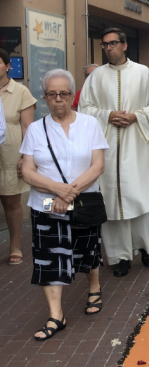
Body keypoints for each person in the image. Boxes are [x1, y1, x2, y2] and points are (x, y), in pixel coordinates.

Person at [20, 69, 108, 340]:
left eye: (64, 94)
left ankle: (94, 286)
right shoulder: (36, 129)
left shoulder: (90, 124)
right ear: (45, 97)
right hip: (45, 202)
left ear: (72, 96)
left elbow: (98, 165)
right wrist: (58, 190)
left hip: (82, 200)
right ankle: (56, 315)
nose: (58, 99)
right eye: (52, 94)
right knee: (49, 257)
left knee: (87, 250)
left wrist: (69, 192)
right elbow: (28, 171)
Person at [79, 28, 149, 277]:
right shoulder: (95, 77)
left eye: (113, 43)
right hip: (106, 149)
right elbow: (85, 108)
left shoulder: (142, 73)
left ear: (125, 45)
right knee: (112, 205)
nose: (109, 48)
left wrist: (135, 116)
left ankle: (144, 247)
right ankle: (120, 257)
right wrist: (107, 115)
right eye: (105, 44)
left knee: (136, 200)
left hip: (136, 148)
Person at [0, 48, 37, 265]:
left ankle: (15, 245)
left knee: (11, 200)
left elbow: (27, 128)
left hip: (11, 152)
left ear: (7, 66)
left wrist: (25, 157)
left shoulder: (21, 92)